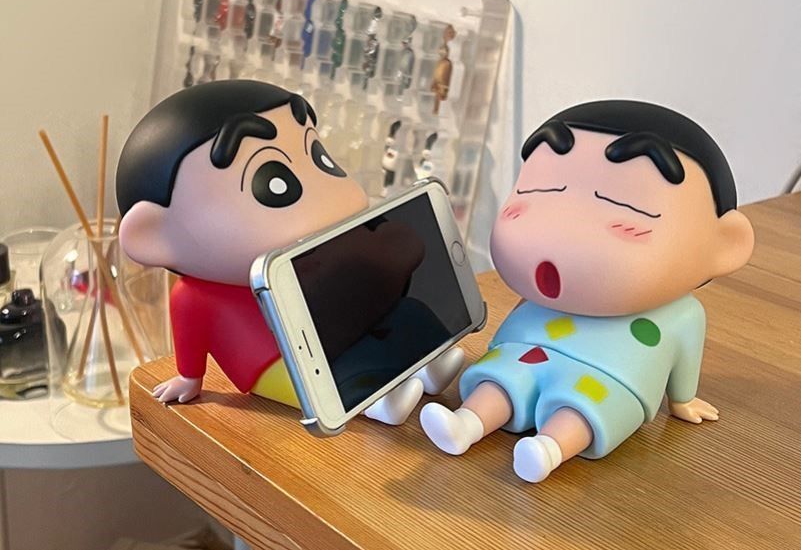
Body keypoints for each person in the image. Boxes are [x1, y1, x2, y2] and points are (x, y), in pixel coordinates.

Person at [420, 100, 754, 481]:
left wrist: (682, 400)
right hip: (527, 351)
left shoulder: (682, 314)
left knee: (581, 409)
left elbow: (686, 354)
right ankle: (465, 424)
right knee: (500, 380)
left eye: (626, 205)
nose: (564, 224)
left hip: (612, 376)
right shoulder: (540, 300)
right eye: (540, 187)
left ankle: (548, 451)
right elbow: (519, 314)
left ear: (725, 245)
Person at [116, 80, 462, 424]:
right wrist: (189, 378)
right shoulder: (192, 298)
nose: (327, 195)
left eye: (320, 158)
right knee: (331, 375)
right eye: (273, 182)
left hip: (323, 333)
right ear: (154, 236)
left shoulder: (308, 263)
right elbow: (191, 343)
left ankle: (428, 363)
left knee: (404, 316)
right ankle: (377, 402)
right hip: (270, 363)